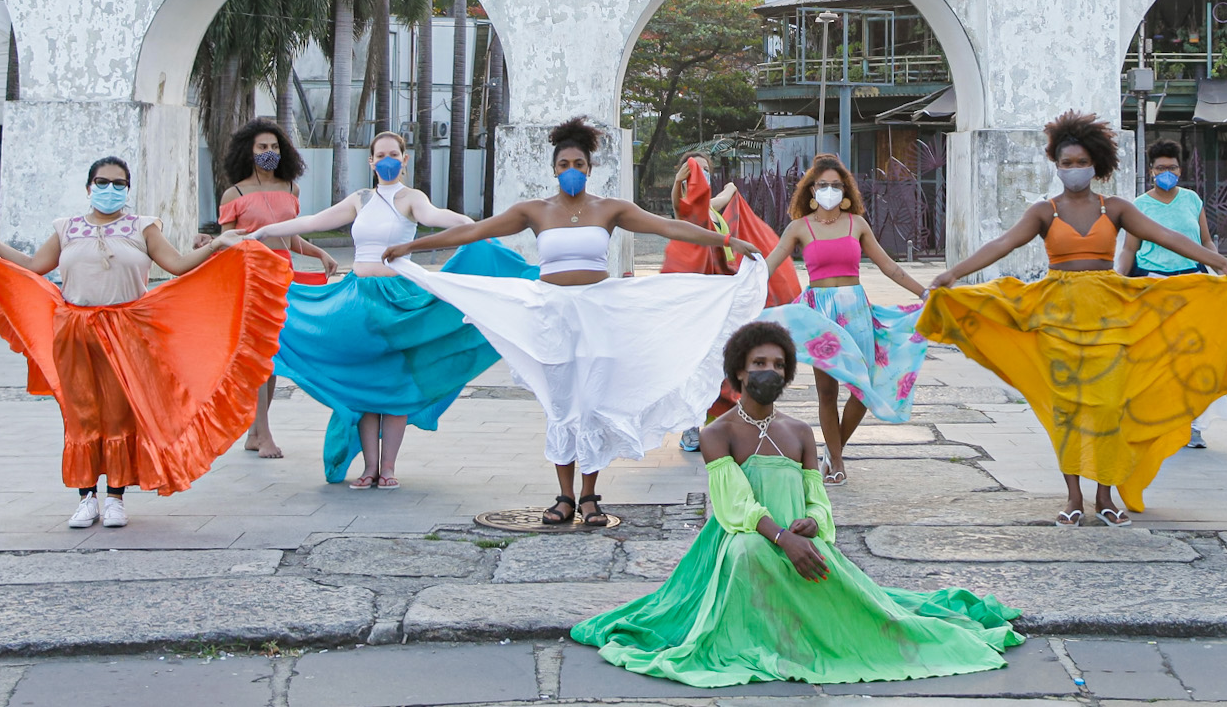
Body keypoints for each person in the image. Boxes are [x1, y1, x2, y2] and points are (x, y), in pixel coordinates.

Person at [570, 322, 1022, 686]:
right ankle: (762, 639)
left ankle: (824, 636)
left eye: (778, 364)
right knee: (749, 555)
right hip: (743, 537)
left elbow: (817, 497)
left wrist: (812, 522)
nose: (769, 370)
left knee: (838, 578)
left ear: (788, 374)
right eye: (758, 363)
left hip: (797, 535)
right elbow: (734, 506)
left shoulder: (801, 431)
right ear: (739, 372)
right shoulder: (717, 433)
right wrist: (782, 538)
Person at [382, 117, 769, 527]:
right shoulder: (534, 211)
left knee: (594, 403)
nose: (571, 171)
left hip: (599, 315)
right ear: (554, 169)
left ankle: (589, 497)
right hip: (551, 315)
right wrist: (412, 244)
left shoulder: (609, 209)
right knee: (562, 405)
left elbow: (671, 227)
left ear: (589, 168)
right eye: (564, 164)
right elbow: (475, 231)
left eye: (579, 164)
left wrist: (728, 240)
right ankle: (564, 497)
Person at [919, 112, 1227, 527]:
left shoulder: (1116, 208)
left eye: (1080, 162)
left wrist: (1220, 261)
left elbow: (1170, 238)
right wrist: (952, 274)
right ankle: (1073, 496)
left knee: (1108, 409)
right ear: (1056, 164)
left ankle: (1105, 496)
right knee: (1067, 411)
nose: (1073, 170)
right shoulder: (1043, 212)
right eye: (1065, 164)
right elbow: (1001, 244)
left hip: (1110, 315)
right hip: (1057, 318)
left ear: (1096, 163)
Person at [0, 157, 289, 528]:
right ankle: (86, 499)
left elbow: (177, 266)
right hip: (75, 330)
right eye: (102, 182)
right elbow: (34, 267)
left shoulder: (142, 227)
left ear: (127, 190)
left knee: (118, 416)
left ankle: (115, 497)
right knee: (79, 415)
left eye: (118, 184)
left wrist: (218, 246)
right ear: (88, 187)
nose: (110, 189)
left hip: (126, 332)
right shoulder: (67, 228)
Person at [208, 130, 535, 489]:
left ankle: (388, 468)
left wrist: (480, 227)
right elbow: (313, 223)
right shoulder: (361, 199)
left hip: (398, 299)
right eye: (380, 155)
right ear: (372, 161)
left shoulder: (411, 198)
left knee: (393, 381)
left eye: (394, 154)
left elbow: (436, 215)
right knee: (364, 379)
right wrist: (258, 234)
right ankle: (368, 467)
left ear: (404, 159)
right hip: (359, 299)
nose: (387, 160)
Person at [761, 155, 933, 483]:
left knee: (861, 391)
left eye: (836, 185)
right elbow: (769, 265)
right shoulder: (800, 227)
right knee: (827, 393)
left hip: (855, 312)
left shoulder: (858, 224)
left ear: (846, 190)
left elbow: (890, 267)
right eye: (823, 185)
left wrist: (925, 293)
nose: (829, 190)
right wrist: (740, 288)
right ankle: (837, 462)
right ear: (812, 189)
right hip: (819, 317)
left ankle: (830, 452)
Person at [1118, 138, 1227, 450]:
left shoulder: (1192, 200)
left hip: (1193, 286)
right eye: (1160, 167)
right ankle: (1156, 422)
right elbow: (1129, 249)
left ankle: (1193, 425)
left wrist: (1222, 272)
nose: (1167, 172)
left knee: (1195, 358)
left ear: (1181, 169)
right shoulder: (1139, 206)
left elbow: (1205, 243)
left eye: (1172, 167)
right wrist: (1116, 281)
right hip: (1153, 287)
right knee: (1158, 360)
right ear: (1151, 171)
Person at [203, 119, 338, 460]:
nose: (269, 152)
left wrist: (320, 252)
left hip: (282, 277)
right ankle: (264, 436)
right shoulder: (233, 194)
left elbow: (290, 238)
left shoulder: (290, 189)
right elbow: (226, 242)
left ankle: (255, 431)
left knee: (272, 359)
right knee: (260, 357)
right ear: (248, 150)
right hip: (250, 278)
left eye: (275, 147)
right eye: (262, 147)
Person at [665, 154, 802, 451]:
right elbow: (679, 201)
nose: (698, 173)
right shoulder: (686, 210)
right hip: (694, 301)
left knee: (715, 360)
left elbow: (726, 194)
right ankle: (692, 426)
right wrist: (682, 178)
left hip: (718, 297)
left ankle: (718, 427)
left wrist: (728, 187)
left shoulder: (710, 210)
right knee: (695, 361)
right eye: (692, 168)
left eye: (703, 169)